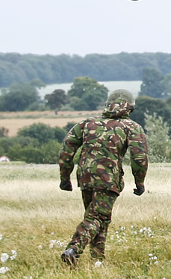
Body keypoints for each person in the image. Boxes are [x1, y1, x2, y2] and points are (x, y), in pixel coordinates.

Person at [58, 89, 148, 266]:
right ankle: (73, 250)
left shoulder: (87, 124)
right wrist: (139, 181)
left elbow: (66, 149)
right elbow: (139, 158)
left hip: (85, 177)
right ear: (130, 108)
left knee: (98, 217)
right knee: (97, 217)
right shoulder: (131, 127)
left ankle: (97, 260)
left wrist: (65, 177)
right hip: (108, 179)